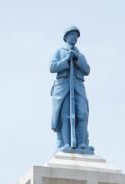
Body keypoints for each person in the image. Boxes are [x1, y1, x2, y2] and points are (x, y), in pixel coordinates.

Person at [49, 26, 93, 154]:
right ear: (66, 37)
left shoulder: (80, 55)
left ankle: (82, 144)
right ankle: (65, 143)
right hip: (63, 87)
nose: (74, 37)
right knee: (65, 115)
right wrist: (67, 60)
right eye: (72, 34)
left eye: (76, 35)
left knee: (82, 113)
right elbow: (52, 67)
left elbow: (87, 70)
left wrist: (77, 58)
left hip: (78, 87)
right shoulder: (59, 52)